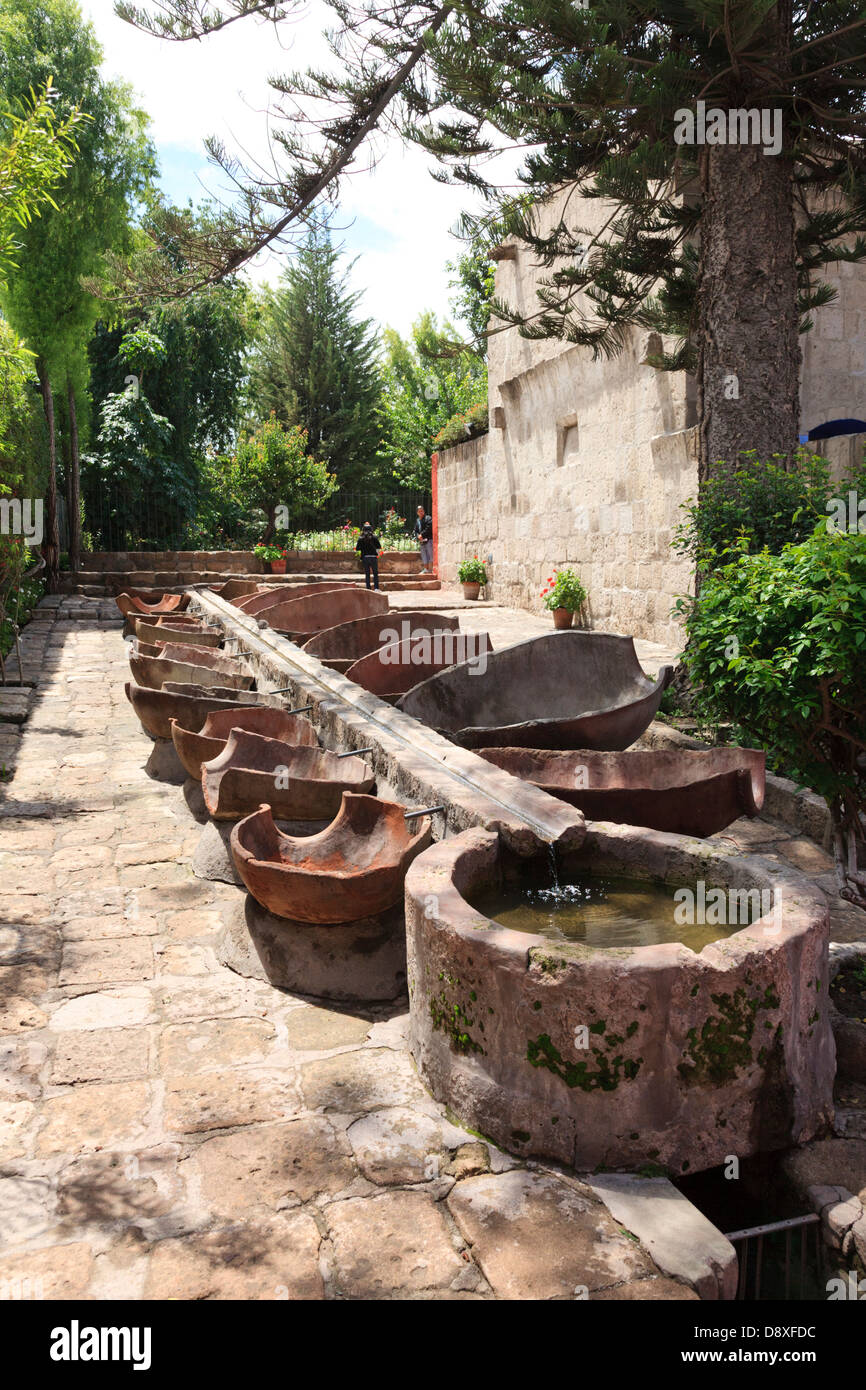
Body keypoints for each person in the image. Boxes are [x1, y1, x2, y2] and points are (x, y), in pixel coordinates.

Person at [356, 521, 382, 590]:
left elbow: (357, 548)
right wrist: (378, 555)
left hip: (365, 557)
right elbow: (378, 547)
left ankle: (368, 588)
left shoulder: (361, 538)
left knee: (367, 574)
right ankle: (376, 588)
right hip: (373, 557)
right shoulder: (374, 537)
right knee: (375, 574)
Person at [414, 504, 433, 572]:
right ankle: (426, 569)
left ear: (424, 511)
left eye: (422, 511)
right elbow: (415, 530)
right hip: (421, 541)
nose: (421, 512)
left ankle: (432, 569)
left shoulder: (428, 518)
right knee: (424, 555)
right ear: (417, 513)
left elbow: (429, 528)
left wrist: (421, 535)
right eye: (419, 511)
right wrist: (418, 536)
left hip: (428, 539)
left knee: (431, 554)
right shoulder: (417, 521)